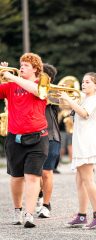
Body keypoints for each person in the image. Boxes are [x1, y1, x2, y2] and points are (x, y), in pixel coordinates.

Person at [0, 53, 49, 228]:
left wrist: (12, 77)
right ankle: (17, 209)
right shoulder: (10, 85)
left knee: (33, 177)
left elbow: (36, 91)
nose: (21, 67)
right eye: (21, 64)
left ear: (35, 68)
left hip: (38, 137)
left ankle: (29, 214)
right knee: (16, 177)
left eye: (26, 65)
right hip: (15, 137)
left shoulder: (41, 83)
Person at [60, 72, 96, 230]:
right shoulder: (83, 98)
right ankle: (81, 216)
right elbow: (64, 106)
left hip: (88, 142)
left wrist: (69, 100)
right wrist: (65, 98)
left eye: (88, 82)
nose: (84, 84)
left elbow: (84, 113)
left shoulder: (94, 99)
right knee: (79, 181)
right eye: (83, 81)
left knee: (88, 180)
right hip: (80, 142)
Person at [36, 63, 61, 218]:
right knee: (33, 174)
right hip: (33, 136)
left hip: (51, 136)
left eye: (39, 73)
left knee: (46, 173)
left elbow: (44, 97)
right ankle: (39, 196)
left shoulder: (54, 92)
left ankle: (46, 205)